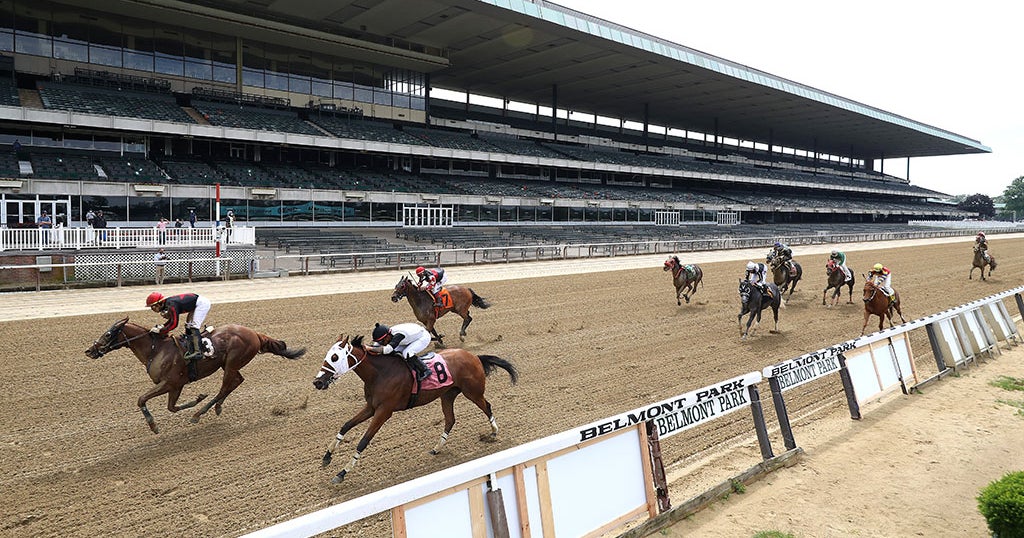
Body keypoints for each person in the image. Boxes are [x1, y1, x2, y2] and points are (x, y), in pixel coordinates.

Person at [146, 291, 211, 363]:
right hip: (196, 303)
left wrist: (161, 331)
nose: (152, 309)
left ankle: (198, 352)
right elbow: (171, 320)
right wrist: (162, 327)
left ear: (159, 304)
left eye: (153, 307)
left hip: (201, 304)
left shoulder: (171, 305)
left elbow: (174, 324)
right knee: (188, 325)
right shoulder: (168, 304)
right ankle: (190, 346)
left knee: (194, 326)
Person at [367, 322, 432, 381]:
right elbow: (377, 345)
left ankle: (425, 370)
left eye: (382, 341)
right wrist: (371, 347)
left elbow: (386, 350)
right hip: (409, 338)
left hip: (422, 337)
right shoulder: (388, 335)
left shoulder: (398, 335)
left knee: (407, 353)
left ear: (388, 336)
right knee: (393, 350)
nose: (381, 343)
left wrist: (369, 348)